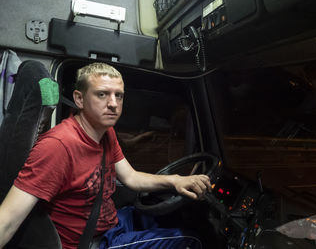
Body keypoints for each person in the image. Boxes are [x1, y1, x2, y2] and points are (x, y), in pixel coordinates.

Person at [0, 62, 211, 248]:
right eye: (102, 94)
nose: (113, 104)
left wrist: (175, 181)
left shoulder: (105, 132)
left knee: (180, 217)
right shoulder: (59, 146)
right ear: (79, 99)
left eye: (118, 95)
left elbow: (131, 178)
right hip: (92, 242)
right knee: (193, 239)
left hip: (112, 223)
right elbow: (7, 220)